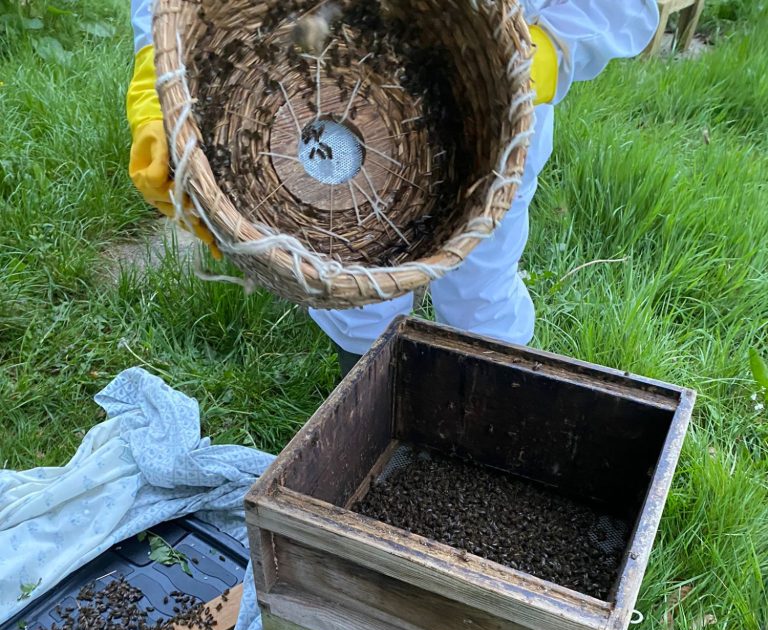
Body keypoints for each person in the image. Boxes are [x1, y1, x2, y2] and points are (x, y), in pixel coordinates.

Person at [127, 2, 659, 374]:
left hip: (482, 106)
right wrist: (156, 77)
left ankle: (491, 401)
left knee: (481, 292)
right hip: (312, 63)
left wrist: (549, 49)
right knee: (347, 281)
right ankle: (368, 400)